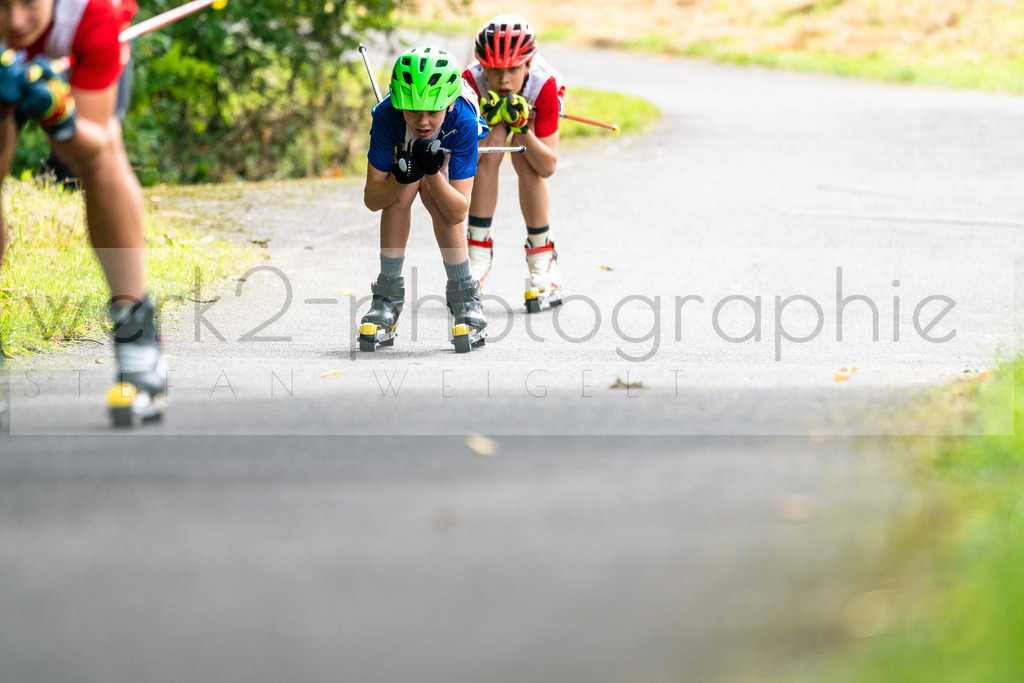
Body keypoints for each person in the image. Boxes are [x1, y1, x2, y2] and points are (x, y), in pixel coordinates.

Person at [0, 0, 166, 426]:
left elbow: (86, 151)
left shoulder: (91, 12)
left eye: (27, 3)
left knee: (106, 157)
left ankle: (138, 342)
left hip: (79, 70)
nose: (15, 21)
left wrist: (57, 112)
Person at [360, 46, 488, 352]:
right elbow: (372, 199)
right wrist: (400, 179)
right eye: (413, 110)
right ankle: (387, 297)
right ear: (400, 103)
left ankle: (465, 298)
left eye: (433, 111)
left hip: (448, 151)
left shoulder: (463, 119)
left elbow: (458, 211)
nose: (423, 121)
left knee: (435, 195)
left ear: (450, 103)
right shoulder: (387, 115)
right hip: (404, 160)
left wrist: (431, 172)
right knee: (400, 193)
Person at [462, 13, 564, 310]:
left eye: (513, 69)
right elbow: (463, 158)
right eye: (494, 70)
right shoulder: (470, 82)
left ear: (529, 64)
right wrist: (482, 125)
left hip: (529, 127)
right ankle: (477, 254)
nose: (504, 79)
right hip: (489, 136)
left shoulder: (545, 85)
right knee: (490, 144)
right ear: (482, 66)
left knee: (524, 154)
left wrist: (521, 128)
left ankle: (543, 258)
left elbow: (548, 166)